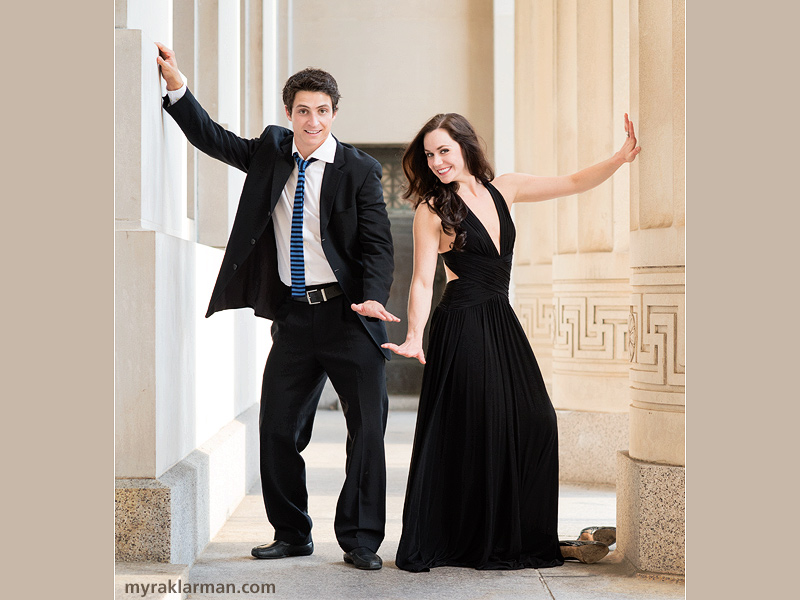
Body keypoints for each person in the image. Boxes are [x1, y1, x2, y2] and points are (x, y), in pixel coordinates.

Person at [155, 43, 398, 570]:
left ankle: (359, 540)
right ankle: (291, 533)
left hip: (349, 315)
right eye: (304, 110)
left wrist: (374, 297)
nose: (314, 120)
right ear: (289, 114)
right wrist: (177, 87)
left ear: (335, 114)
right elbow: (214, 140)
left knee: (368, 429)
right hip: (294, 317)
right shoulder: (271, 150)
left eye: (323, 111)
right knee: (277, 428)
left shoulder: (358, 170)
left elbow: (378, 244)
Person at [383, 113, 640, 571]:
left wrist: (620, 157)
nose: (437, 161)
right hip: (462, 322)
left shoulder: (506, 188)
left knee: (536, 419)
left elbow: (574, 181)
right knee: (481, 426)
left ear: (465, 146)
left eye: (444, 150)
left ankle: (513, 531)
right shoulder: (431, 208)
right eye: (429, 155)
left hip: (500, 319)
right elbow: (423, 281)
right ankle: (473, 536)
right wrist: (413, 336)